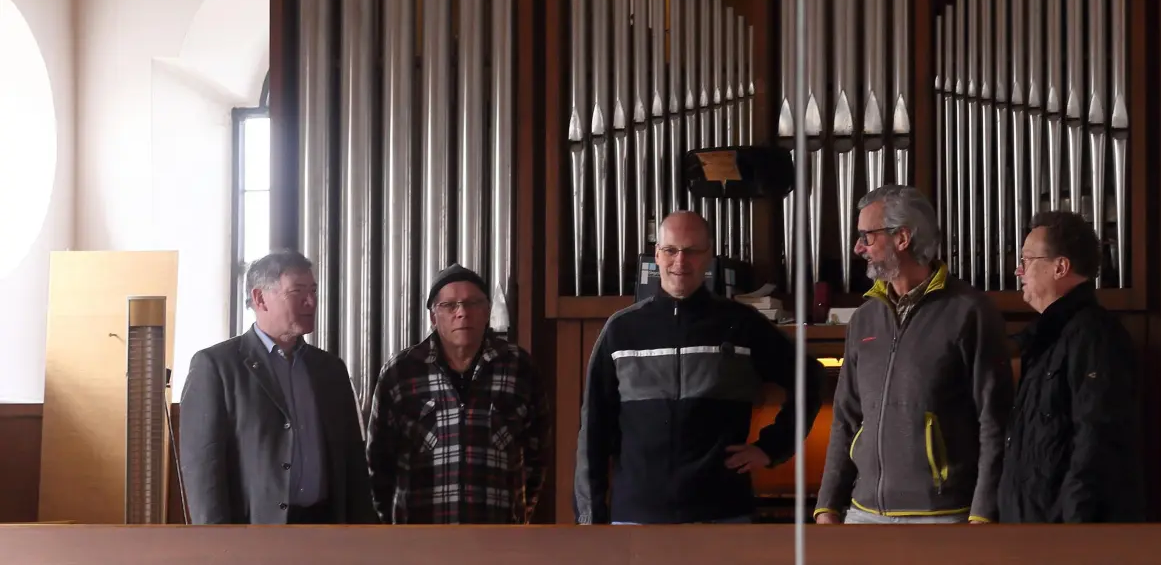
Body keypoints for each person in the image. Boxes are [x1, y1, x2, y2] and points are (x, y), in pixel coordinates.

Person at [574, 210, 821, 524]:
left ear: (709, 258)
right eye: (671, 250)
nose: (680, 261)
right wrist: (589, 517)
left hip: (723, 514)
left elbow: (810, 377)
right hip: (636, 516)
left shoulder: (741, 325)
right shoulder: (621, 330)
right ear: (657, 255)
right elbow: (593, 429)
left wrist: (771, 448)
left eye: (691, 251)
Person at [814, 185, 1013, 525]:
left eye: (867, 236)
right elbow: (846, 418)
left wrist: (982, 514)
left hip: (942, 516)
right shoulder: (864, 318)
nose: (858, 247)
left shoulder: (969, 311)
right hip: (862, 515)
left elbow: (994, 420)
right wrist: (827, 505)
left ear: (902, 238)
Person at [179, 250, 376, 524]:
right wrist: (216, 546)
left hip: (326, 529)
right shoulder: (217, 367)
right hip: (255, 534)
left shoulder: (330, 369)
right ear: (260, 298)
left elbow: (353, 462)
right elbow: (203, 470)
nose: (311, 301)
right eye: (297, 292)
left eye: (313, 291)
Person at [366, 264, 550, 523]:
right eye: (450, 306)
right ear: (433, 317)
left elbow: (536, 456)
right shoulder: (400, 373)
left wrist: (518, 515)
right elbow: (378, 463)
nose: (462, 313)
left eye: (473, 303)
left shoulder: (519, 368)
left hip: (497, 533)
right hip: (419, 536)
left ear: (487, 312)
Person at [998, 209, 1143, 523]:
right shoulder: (1045, 339)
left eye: (1026, 260)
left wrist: (1072, 534)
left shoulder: (1095, 336)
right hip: (1032, 530)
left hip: (1064, 537)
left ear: (1060, 267)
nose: (1017, 271)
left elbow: (1096, 443)